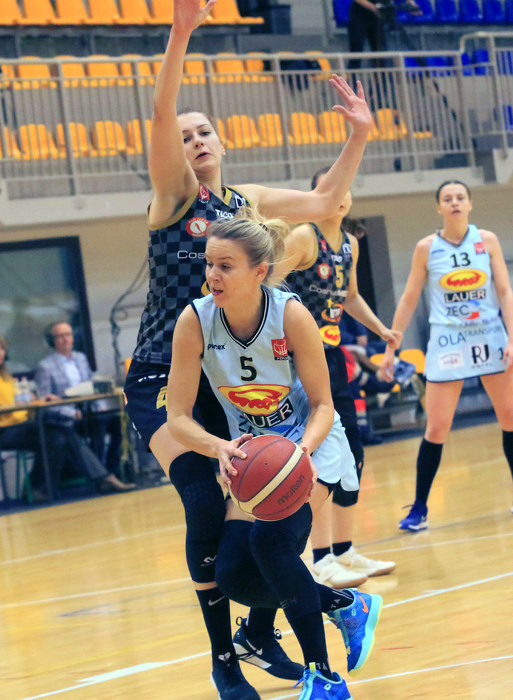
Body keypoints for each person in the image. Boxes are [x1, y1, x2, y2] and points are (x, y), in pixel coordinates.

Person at [122, 1, 373, 698]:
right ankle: (224, 662)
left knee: (263, 516)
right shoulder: (174, 200)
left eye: (204, 131)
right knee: (204, 506)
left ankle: (264, 630)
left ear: (223, 140)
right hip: (159, 378)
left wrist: (358, 136)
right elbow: (160, 114)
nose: (194, 140)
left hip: (225, 381)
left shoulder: (246, 202)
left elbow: (328, 203)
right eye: (184, 135)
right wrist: (180, 34)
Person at [166, 209, 383, 700]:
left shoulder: (291, 315)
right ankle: (345, 605)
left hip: (312, 446)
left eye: (226, 266)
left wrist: (299, 453)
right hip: (251, 457)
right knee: (232, 574)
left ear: (259, 271)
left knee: (272, 547)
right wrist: (219, 447)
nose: (213, 275)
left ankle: (323, 679)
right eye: (209, 264)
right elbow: (177, 417)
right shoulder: (195, 321)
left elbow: (325, 405)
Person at [273, 166, 399, 590]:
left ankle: (344, 550)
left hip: (333, 356)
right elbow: (266, 285)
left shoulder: (349, 244)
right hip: (298, 360)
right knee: (320, 457)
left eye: (346, 188)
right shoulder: (303, 237)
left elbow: (351, 296)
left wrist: (381, 330)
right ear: (317, 195)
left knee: (352, 453)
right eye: (331, 188)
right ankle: (319, 557)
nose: (340, 195)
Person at [381, 180, 513, 531]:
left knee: (510, 417)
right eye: (447, 198)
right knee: (437, 427)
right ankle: (419, 508)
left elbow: (504, 291)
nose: (454, 202)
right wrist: (391, 347)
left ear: (470, 204)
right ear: (438, 207)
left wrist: (512, 336)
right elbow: (409, 298)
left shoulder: (488, 240)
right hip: (448, 341)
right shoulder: (426, 247)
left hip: (489, 334)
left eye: (460, 197)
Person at [0, 335, 129, 501]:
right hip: (5, 430)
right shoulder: (44, 366)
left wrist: (36, 400)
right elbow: (12, 411)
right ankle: (101, 478)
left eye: (2, 348)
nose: (0, 353)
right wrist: (26, 407)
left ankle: (43, 489)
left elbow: (20, 404)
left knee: (60, 436)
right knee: (56, 437)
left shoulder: (7, 378)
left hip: (23, 424)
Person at [35, 322, 134, 496]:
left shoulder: (81, 358)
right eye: (60, 336)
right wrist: (70, 413)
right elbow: (45, 402)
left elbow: (90, 386)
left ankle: (114, 470)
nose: (66, 339)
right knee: (95, 426)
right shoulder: (46, 366)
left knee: (118, 423)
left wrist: (99, 406)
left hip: (89, 412)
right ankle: (105, 478)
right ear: (52, 341)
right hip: (65, 419)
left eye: (68, 334)